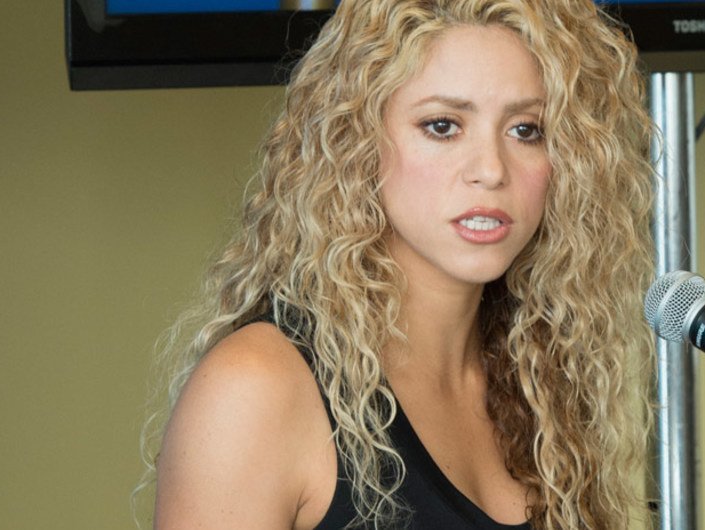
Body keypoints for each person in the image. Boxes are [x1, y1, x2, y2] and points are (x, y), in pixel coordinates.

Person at [138, 1, 655, 528]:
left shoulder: (545, 383)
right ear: (358, 140)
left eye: (526, 130)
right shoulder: (255, 389)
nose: (491, 169)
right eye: (443, 126)